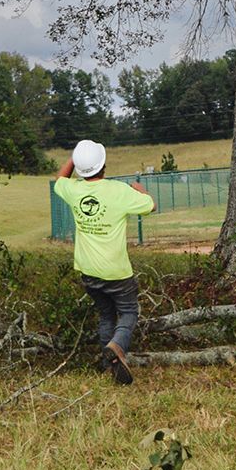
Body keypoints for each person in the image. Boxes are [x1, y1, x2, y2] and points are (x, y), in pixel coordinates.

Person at [53, 139, 155, 385]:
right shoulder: (118, 191)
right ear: (104, 165)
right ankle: (117, 346)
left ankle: (106, 362)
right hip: (117, 271)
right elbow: (149, 206)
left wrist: (74, 157)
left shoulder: (73, 190)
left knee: (106, 315)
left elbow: (60, 180)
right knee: (129, 311)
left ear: (79, 167)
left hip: (88, 271)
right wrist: (141, 191)